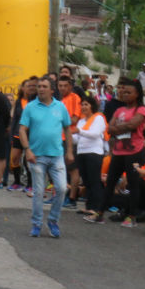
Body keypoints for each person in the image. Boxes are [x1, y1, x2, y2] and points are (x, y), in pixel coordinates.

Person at [85, 78, 145, 225]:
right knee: (110, 182)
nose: (125, 94)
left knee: (133, 184)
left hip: (135, 151)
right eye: (123, 91)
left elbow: (134, 124)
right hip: (118, 152)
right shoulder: (119, 110)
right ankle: (99, 213)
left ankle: (131, 216)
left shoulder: (141, 109)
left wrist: (118, 127)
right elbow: (109, 128)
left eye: (129, 92)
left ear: (137, 94)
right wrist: (123, 127)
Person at [18, 77, 74, 238]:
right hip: (37, 156)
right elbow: (22, 130)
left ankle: (53, 220)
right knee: (38, 191)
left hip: (57, 156)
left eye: (44, 86)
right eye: (39, 86)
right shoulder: (30, 107)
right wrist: (27, 149)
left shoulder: (60, 107)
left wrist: (69, 151)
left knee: (62, 188)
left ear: (52, 90)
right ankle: (36, 223)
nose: (41, 89)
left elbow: (68, 130)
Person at [74, 95, 107, 217]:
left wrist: (79, 131)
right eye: (82, 104)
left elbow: (95, 134)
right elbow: (76, 139)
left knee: (94, 181)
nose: (83, 107)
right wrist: (67, 134)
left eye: (86, 104)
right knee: (87, 182)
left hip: (94, 153)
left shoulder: (98, 118)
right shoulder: (81, 121)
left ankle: (97, 208)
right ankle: (89, 206)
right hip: (81, 152)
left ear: (92, 106)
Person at [6, 78, 36, 192]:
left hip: (30, 135)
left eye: (31, 86)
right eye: (27, 86)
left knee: (27, 160)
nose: (30, 88)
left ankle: (30, 183)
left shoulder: (34, 102)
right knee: (14, 158)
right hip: (18, 133)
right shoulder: (18, 101)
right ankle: (17, 181)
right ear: (22, 88)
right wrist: (12, 133)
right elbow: (14, 117)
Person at [57, 75, 82, 207]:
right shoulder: (61, 100)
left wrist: (56, 124)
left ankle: (72, 199)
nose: (62, 88)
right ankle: (62, 197)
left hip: (69, 138)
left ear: (70, 86)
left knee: (73, 170)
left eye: (65, 85)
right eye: (60, 86)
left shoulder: (74, 98)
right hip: (60, 138)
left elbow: (75, 119)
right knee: (62, 169)